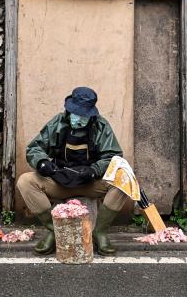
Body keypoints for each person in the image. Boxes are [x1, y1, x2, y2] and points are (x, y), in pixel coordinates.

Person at [16, 86, 129, 256]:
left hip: (90, 181)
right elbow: (34, 148)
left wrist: (94, 170)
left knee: (125, 179)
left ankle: (99, 232)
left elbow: (113, 156)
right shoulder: (57, 123)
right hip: (59, 180)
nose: (79, 120)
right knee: (25, 181)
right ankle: (54, 230)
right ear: (69, 111)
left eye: (84, 117)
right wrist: (42, 162)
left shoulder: (101, 126)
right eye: (76, 114)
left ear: (91, 115)